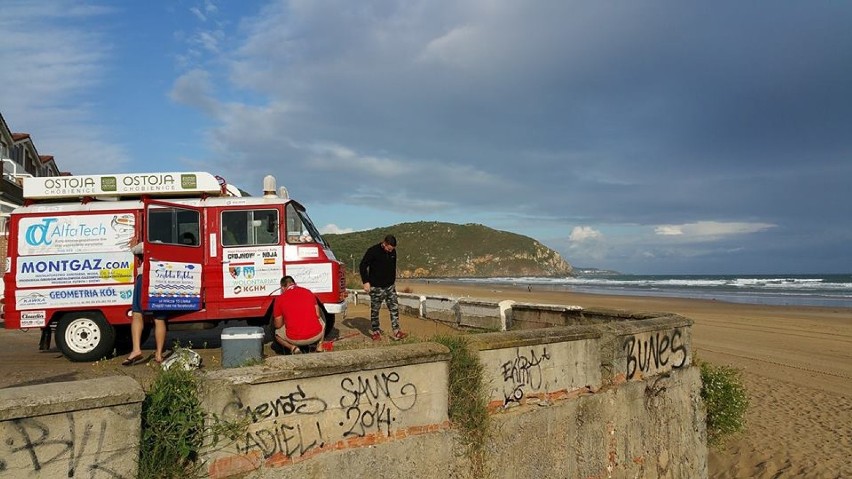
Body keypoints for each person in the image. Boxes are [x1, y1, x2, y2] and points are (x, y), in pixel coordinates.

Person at [122, 233, 168, 365]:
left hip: (145, 279)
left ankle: (136, 350)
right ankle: (159, 354)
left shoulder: (150, 243)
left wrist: (133, 245)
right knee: (159, 319)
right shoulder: (168, 245)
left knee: (137, 314)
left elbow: (136, 249)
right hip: (162, 280)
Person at [359, 234, 408, 341]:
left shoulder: (393, 252)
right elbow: (362, 265)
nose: (391, 251)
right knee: (375, 311)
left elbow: (392, 267)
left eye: (392, 249)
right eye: (389, 249)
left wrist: (392, 281)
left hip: (390, 286)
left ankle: (397, 331)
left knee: (394, 309)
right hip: (376, 287)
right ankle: (376, 332)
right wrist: (366, 281)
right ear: (384, 243)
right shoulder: (373, 251)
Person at [273, 276, 326, 354]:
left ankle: (293, 348)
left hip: (294, 339)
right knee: (322, 321)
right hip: (316, 336)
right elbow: (317, 314)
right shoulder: (309, 292)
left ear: (283, 287)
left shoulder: (279, 299)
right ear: (295, 283)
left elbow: (278, 325)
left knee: (277, 333)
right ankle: (320, 346)